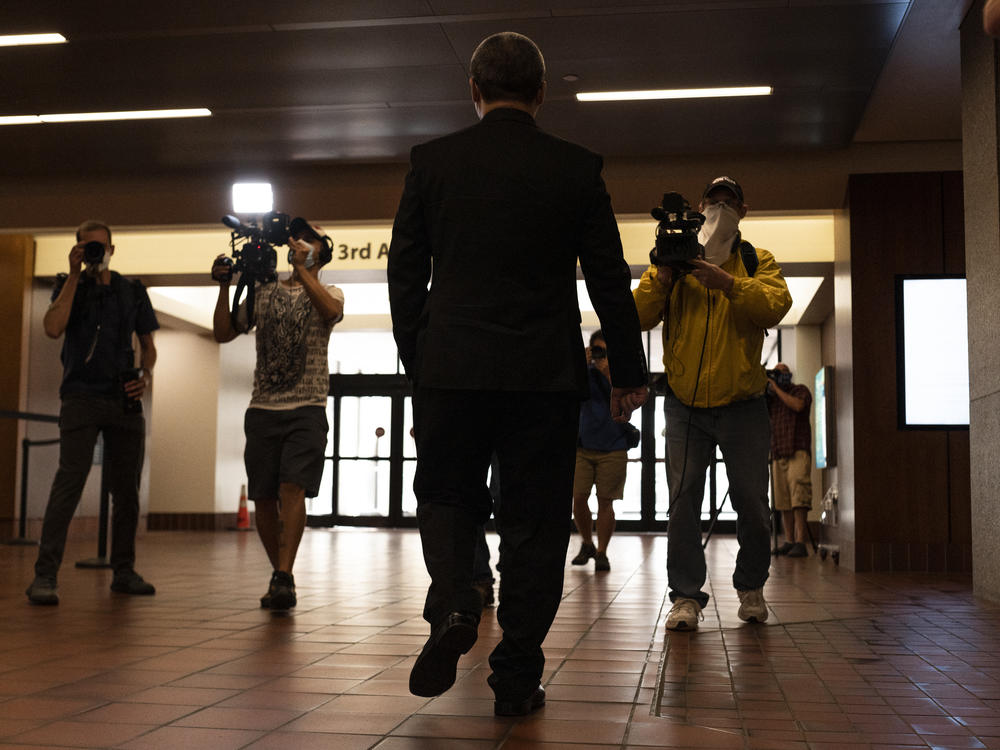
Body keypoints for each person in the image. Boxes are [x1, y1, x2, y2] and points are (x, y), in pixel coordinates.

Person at [387, 31, 648, 717]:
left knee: (447, 496)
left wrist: (422, 358)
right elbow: (609, 279)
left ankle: (453, 604)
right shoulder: (575, 168)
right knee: (533, 521)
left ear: (473, 91)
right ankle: (516, 676)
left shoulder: (432, 163)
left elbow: (405, 272)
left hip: (453, 366)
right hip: (542, 373)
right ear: (541, 93)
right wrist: (627, 369)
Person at [633, 176, 792, 631]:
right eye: (714, 201)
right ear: (700, 208)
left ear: (744, 210)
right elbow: (638, 317)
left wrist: (728, 283)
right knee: (683, 501)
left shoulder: (754, 259)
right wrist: (663, 278)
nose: (721, 207)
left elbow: (775, 306)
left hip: (743, 404)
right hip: (684, 405)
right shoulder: (674, 260)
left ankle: (751, 587)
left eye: (730, 202)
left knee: (752, 503)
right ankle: (685, 596)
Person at [212, 218, 344, 612]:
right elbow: (223, 332)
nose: (300, 243)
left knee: (293, 488)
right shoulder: (264, 292)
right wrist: (224, 286)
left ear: (323, 251)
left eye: (310, 241)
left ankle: (283, 573)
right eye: (297, 238)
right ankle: (281, 574)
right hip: (263, 408)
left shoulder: (330, 290)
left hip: (307, 407)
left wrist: (303, 270)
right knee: (264, 497)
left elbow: (330, 311)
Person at [26, 220, 159, 605]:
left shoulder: (132, 291)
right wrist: (73, 275)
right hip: (81, 397)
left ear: (112, 249)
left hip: (124, 399)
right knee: (69, 484)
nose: (96, 253)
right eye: (88, 247)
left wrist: (146, 375)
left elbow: (148, 345)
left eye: (100, 247)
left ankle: (124, 570)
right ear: (78, 249)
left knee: (127, 491)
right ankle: (44, 576)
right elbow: (53, 328)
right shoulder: (69, 286)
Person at [571, 330, 637, 572]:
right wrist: (581, 362)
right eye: (598, 351)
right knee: (578, 497)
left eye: (606, 352)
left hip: (614, 446)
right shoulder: (583, 372)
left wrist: (609, 373)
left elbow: (631, 403)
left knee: (605, 502)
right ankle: (587, 543)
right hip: (582, 445)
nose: (602, 357)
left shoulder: (621, 376)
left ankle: (601, 552)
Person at [766, 363, 813, 558]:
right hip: (778, 453)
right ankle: (789, 541)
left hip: (798, 450)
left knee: (799, 496)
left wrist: (775, 388)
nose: (780, 376)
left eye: (783, 372)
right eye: (777, 373)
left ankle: (801, 541)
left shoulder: (800, 390)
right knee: (783, 500)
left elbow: (798, 405)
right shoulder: (771, 400)